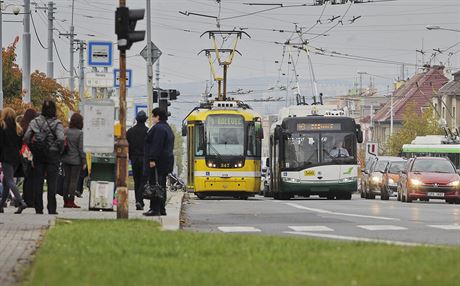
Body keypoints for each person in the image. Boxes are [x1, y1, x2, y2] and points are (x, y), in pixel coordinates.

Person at [24, 100, 64, 215]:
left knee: (38, 181)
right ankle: (51, 208)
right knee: (52, 182)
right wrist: (59, 149)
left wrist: (33, 147)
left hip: (39, 154)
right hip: (53, 154)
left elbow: (26, 137)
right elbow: (61, 138)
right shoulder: (57, 123)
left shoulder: (35, 121)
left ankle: (38, 208)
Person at [143, 108, 174, 216]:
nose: (151, 119)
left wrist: (152, 159)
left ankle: (155, 208)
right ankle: (161, 208)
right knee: (161, 185)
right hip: (166, 161)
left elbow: (156, 145)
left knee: (154, 184)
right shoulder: (167, 128)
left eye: (153, 116)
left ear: (158, 117)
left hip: (158, 162)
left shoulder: (159, 129)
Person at [0, 108, 27, 214]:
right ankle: (1, 205)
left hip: (6, 157)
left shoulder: (2, 126)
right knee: (6, 182)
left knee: (10, 181)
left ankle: (21, 202)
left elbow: (1, 143)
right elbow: (20, 144)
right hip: (16, 158)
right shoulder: (18, 128)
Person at [61, 113, 86, 208]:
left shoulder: (65, 131)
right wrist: (84, 161)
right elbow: (81, 149)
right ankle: (71, 201)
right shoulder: (80, 133)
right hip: (76, 161)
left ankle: (65, 201)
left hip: (65, 159)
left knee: (66, 180)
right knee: (73, 181)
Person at [127, 111, 148, 210]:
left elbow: (128, 146)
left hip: (134, 159)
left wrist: (130, 155)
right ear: (145, 119)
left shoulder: (130, 132)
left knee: (136, 180)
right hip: (144, 159)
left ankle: (138, 201)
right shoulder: (148, 131)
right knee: (143, 180)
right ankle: (140, 200)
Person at [19, 108, 38, 207]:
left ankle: (26, 198)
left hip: (24, 153)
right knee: (33, 177)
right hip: (31, 153)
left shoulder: (21, 127)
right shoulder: (32, 128)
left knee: (27, 177)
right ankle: (31, 200)